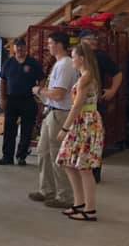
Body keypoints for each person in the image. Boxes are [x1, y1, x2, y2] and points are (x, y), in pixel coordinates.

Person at [28, 32, 79, 210]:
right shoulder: (59, 64)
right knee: (43, 152)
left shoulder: (65, 65)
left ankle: (64, 195)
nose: (48, 46)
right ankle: (47, 189)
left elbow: (59, 93)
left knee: (57, 154)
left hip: (60, 113)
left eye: (50, 43)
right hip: (52, 113)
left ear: (59, 45)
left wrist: (39, 91)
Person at [56, 43, 105, 222]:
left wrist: (64, 128)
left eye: (74, 56)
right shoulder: (85, 76)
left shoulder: (86, 78)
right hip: (82, 122)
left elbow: (77, 105)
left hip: (85, 123)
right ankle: (79, 202)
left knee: (84, 168)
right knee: (68, 162)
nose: (72, 60)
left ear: (82, 58)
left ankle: (90, 209)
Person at [79, 30, 123, 183]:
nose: (93, 42)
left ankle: (94, 172)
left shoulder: (101, 56)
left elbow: (117, 73)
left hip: (95, 105)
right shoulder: (76, 56)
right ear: (81, 41)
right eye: (89, 39)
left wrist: (112, 90)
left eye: (94, 39)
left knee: (95, 140)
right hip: (77, 105)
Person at [0, 38, 44, 166]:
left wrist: (39, 99)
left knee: (27, 130)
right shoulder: (8, 63)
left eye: (22, 48)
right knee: (9, 129)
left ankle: (21, 156)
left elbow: (41, 80)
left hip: (28, 100)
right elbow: (3, 81)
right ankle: (7, 156)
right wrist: (2, 98)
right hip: (11, 100)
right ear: (14, 49)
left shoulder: (33, 63)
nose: (20, 50)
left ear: (26, 48)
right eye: (17, 48)